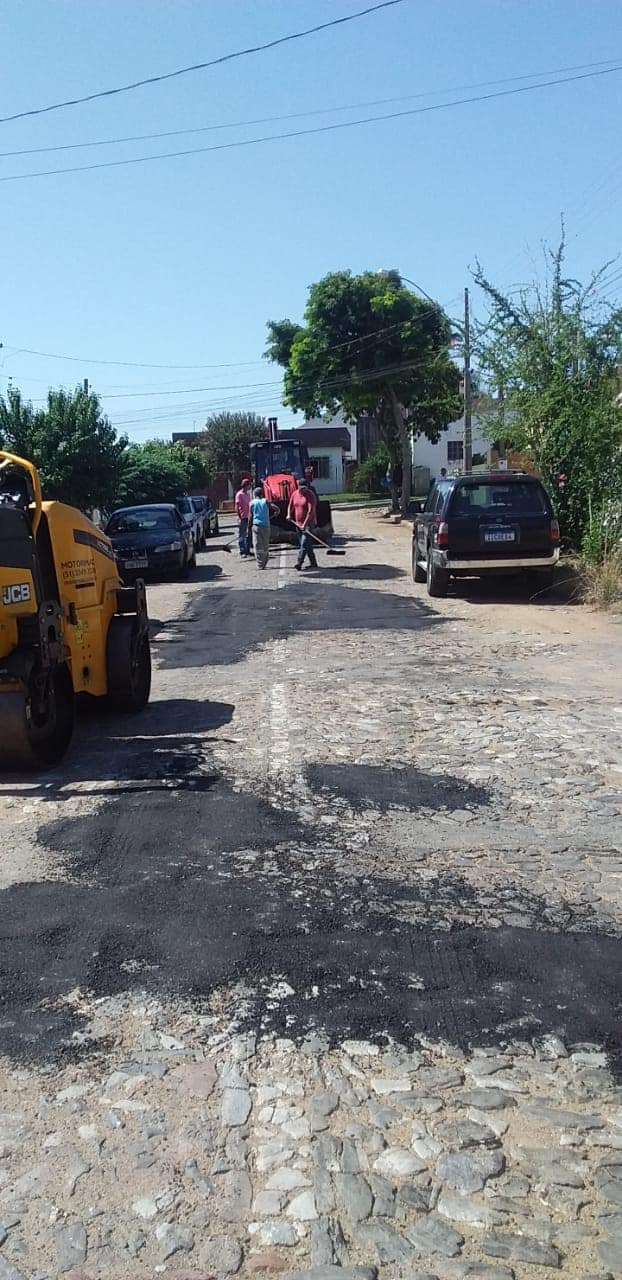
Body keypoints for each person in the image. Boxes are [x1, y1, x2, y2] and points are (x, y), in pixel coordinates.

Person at [287, 477, 318, 571]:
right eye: (302, 488)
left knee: (304, 543)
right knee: (305, 544)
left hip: (309, 523)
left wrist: (305, 524)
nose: (303, 490)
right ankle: (313, 563)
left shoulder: (310, 495)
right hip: (297, 523)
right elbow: (290, 505)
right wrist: (289, 514)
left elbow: (310, 511)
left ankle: (299, 562)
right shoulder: (294, 494)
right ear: (298, 486)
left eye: (305, 488)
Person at [249, 487, 278, 570]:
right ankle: (264, 561)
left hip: (256, 526)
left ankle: (260, 564)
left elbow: (250, 517)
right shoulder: (266, 501)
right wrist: (275, 514)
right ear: (262, 494)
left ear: (254, 494)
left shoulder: (252, 503)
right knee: (265, 545)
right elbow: (276, 509)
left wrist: (248, 527)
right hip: (266, 526)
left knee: (258, 545)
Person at [235, 477, 252, 557]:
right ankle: (242, 551)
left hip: (249, 516)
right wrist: (239, 517)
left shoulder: (248, 494)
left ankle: (247, 550)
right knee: (242, 534)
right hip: (242, 517)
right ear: (245, 485)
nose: (250, 487)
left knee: (249, 534)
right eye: (249, 485)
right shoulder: (239, 494)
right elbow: (237, 506)